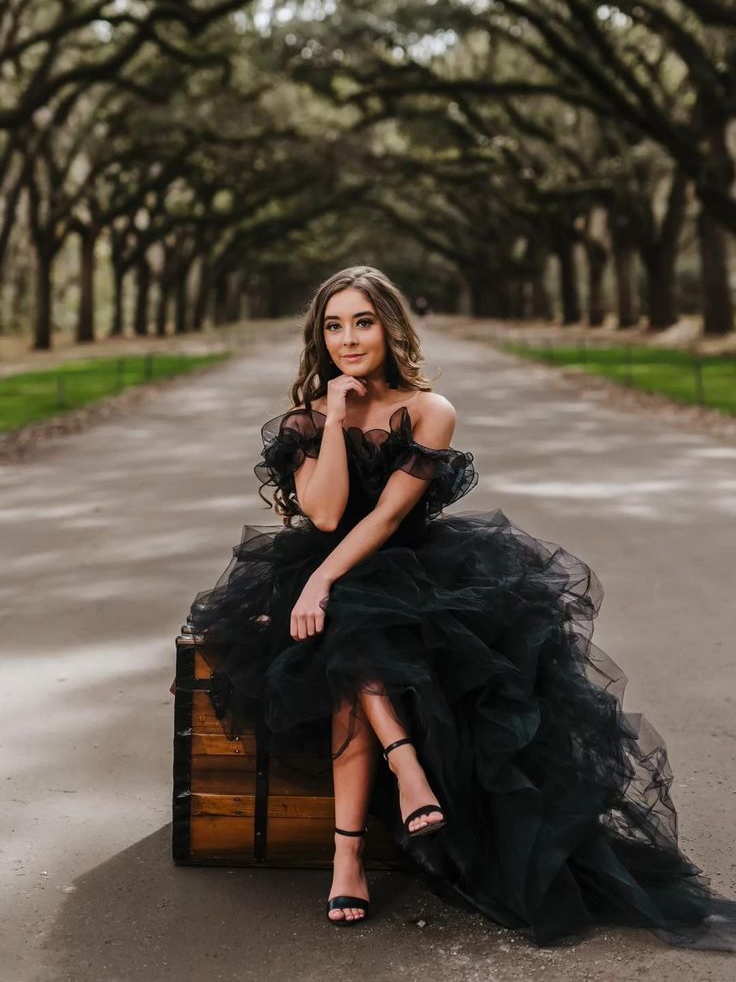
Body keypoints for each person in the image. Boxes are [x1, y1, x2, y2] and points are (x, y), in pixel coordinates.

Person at [186, 264, 736, 947]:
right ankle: (399, 778)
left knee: (352, 628)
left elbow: (385, 519)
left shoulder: (429, 410)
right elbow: (325, 514)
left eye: (362, 322)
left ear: (389, 326)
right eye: (333, 326)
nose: (348, 338)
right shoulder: (306, 419)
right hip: (326, 562)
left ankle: (350, 850)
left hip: (413, 569)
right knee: (347, 635)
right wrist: (331, 418)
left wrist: (323, 581)